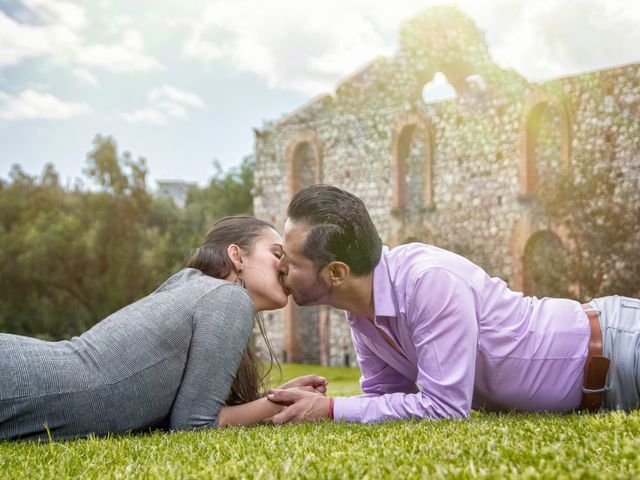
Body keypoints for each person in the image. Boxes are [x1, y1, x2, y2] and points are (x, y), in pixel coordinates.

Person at [266, 184, 640, 424]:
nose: (280, 267)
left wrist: (331, 410)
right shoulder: (360, 311)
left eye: (291, 261)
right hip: (599, 390)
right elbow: (389, 399)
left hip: (619, 345)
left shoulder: (428, 281)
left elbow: (444, 409)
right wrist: (318, 403)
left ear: (335, 273)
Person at [0, 216, 327, 441]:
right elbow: (194, 426)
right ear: (236, 256)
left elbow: (184, 413)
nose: (285, 266)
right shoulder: (227, 297)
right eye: (275, 253)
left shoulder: (195, 288)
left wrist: (277, 396)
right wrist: (281, 404)